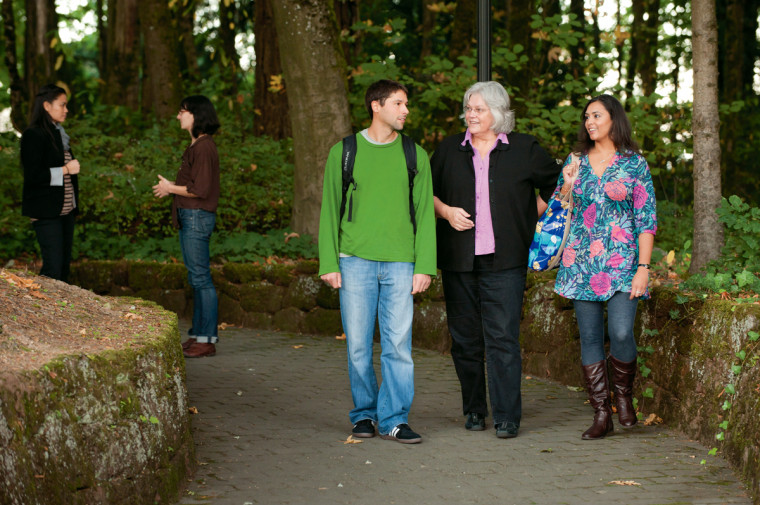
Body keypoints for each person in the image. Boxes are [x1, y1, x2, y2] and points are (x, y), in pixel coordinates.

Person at [431, 81, 561, 438]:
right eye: (468, 109)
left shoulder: (524, 148)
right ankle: (474, 410)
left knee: (503, 337)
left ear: (498, 113)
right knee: (465, 339)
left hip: (505, 261)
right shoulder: (448, 150)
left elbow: (558, 185)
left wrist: (528, 218)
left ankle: (506, 416)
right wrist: (444, 211)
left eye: (479, 109)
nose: (471, 115)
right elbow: (424, 192)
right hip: (459, 260)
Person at [318, 79, 436, 444]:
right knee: (357, 344)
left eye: (406, 104)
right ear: (376, 105)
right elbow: (329, 210)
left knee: (398, 345)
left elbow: (424, 214)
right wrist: (328, 261)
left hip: (401, 262)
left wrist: (424, 266)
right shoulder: (345, 151)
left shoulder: (415, 155)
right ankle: (364, 415)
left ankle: (395, 418)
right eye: (399, 103)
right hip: (354, 260)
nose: (405, 110)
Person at [553, 94, 657, 440]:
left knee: (623, 333)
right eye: (586, 117)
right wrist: (566, 184)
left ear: (614, 118)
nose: (589, 122)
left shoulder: (633, 164)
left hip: (623, 264)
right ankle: (601, 413)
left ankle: (623, 396)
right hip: (580, 262)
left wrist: (643, 267)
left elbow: (646, 220)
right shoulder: (575, 161)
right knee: (590, 338)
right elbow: (558, 209)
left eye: (596, 115)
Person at [153, 95, 221, 359]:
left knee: (201, 279)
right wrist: (172, 188)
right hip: (190, 217)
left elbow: (200, 190)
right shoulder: (197, 146)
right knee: (196, 278)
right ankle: (198, 335)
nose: (178, 116)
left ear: (196, 115)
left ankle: (206, 340)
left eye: (183, 111)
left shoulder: (203, 147)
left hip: (196, 217)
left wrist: (170, 188)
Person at [21, 84, 81, 282]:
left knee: (63, 268)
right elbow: (33, 176)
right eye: (62, 105)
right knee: (53, 270)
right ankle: (40, 309)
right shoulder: (34, 134)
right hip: (46, 212)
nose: (66, 110)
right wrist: (65, 169)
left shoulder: (59, 134)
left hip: (66, 212)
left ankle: (61, 311)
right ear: (46, 106)